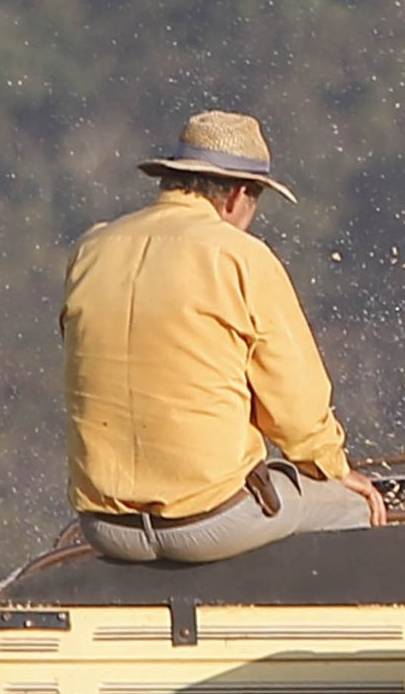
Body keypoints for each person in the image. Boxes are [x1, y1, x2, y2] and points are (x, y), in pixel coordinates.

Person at [61, 109, 387, 562]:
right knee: (352, 508)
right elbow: (295, 407)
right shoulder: (240, 257)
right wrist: (333, 467)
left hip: (105, 526)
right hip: (207, 523)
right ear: (237, 197)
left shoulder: (91, 249)